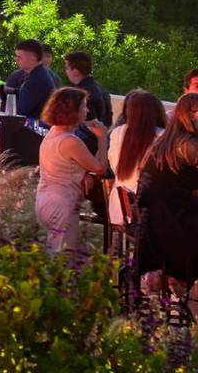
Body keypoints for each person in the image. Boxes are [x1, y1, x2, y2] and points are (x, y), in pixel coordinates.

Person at [136, 93, 198, 306]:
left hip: (156, 225)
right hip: (176, 227)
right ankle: (190, 296)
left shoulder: (164, 141)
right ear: (189, 115)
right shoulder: (188, 144)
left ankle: (178, 285)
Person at [35, 88, 107, 259]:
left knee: (70, 256)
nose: (87, 110)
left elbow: (64, 163)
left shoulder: (53, 132)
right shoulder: (70, 141)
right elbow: (99, 168)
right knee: (64, 262)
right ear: (72, 111)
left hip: (44, 200)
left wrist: (82, 174)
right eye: (83, 106)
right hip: (62, 206)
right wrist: (102, 138)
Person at [106, 89, 166, 225]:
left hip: (119, 207)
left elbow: (113, 165)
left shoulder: (117, 132)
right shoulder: (162, 137)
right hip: (148, 211)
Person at [64, 51, 113, 126]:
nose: (66, 72)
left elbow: (89, 123)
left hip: (88, 136)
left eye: (67, 68)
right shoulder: (100, 88)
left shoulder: (82, 94)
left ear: (76, 72)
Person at [14, 39, 58, 120]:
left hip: (35, 128)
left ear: (33, 58)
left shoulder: (35, 80)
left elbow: (20, 112)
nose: (16, 59)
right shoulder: (42, 72)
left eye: (19, 57)